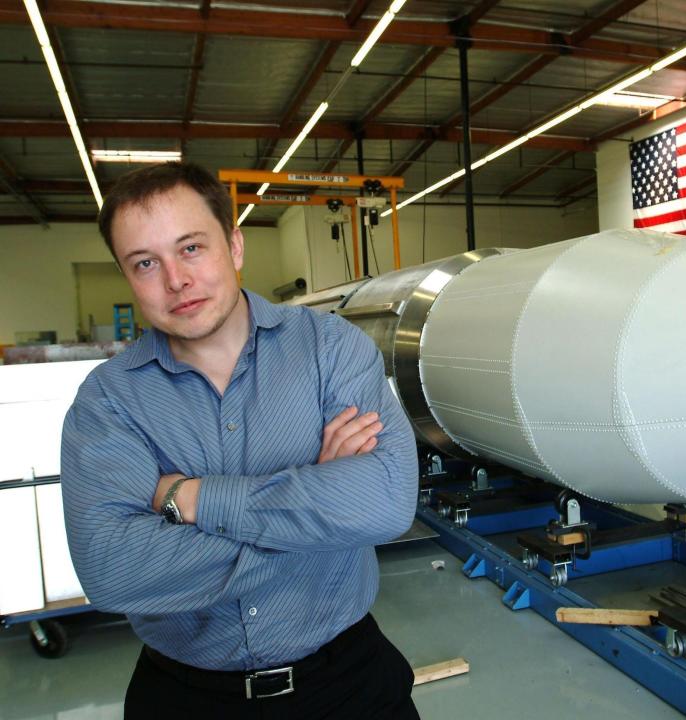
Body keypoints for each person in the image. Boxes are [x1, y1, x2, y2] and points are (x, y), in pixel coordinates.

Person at [60, 162, 420, 719]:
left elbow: (385, 503)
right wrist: (319, 510)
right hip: (187, 697)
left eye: (191, 248)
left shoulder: (331, 350)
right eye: (145, 263)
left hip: (349, 684)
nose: (175, 280)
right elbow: (112, 569)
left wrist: (192, 499)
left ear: (234, 246)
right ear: (127, 276)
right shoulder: (108, 402)